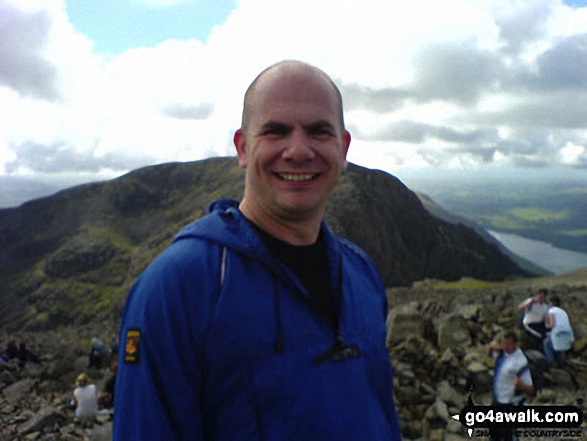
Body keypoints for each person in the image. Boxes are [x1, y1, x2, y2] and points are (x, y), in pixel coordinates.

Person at [114, 60, 402, 440]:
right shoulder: (180, 286)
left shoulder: (359, 271)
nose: (298, 150)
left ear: (343, 147)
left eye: (318, 131)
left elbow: (380, 411)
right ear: (243, 147)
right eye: (276, 131)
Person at [487, 331, 534, 441]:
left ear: (515, 344)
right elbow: (489, 354)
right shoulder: (501, 354)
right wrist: (491, 346)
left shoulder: (520, 362)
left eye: (508, 344)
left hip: (511, 403)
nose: (505, 347)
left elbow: (531, 389)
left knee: (509, 435)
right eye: (503, 343)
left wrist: (521, 386)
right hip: (497, 401)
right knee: (494, 433)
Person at [543, 295, 574, 366]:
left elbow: (552, 324)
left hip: (557, 333)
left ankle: (550, 361)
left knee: (546, 344)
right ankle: (560, 361)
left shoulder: (552, 311)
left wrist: (545, 323)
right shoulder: (562, 311)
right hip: (567, 334)